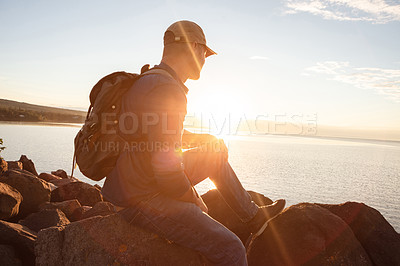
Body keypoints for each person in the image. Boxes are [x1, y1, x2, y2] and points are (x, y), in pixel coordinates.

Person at [101, 20, 286, 266]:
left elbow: (159, 132)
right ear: (194, 48)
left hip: (134, 182)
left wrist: (202, 140)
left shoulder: (151, 79)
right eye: (205, 53)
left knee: (213, 152)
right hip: (140, 199)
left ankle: (251, 216)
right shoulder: (169, 89)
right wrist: (193, 199)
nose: (205, 59)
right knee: (231, 249)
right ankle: (247, 220)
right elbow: (167, 173)